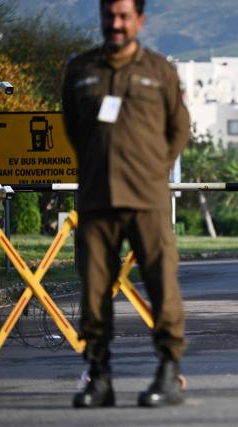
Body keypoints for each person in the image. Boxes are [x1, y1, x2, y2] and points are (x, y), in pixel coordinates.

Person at [62, 0, 190, 407]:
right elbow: (72, 126)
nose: (115, 24)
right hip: (98, 198)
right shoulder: (81, 70)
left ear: (140, 20)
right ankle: (99, 377)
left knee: (161, 283)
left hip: (147, 198)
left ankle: (168, 372)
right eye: (109, 16)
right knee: (95, 289)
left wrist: (155, 170)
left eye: (123, 16)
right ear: (102, 18)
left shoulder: (158, 70)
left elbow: (179, 127)